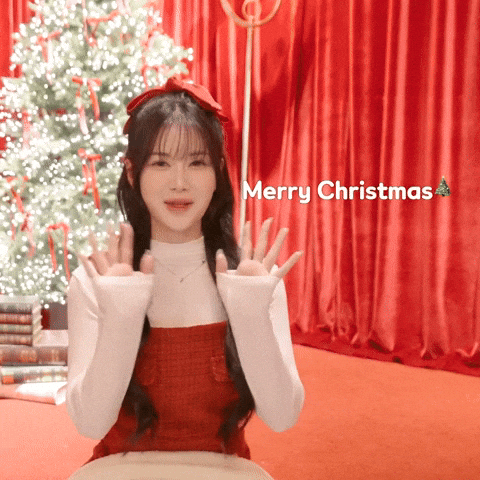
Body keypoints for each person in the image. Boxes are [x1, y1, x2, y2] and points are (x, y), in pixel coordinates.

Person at [66, 75, 305, 464]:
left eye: (197, 163)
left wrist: (251, 314)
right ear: (132, 173)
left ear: (218, 172)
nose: (179, 183)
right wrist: (121, 316)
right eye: (160, 163)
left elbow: (282, 417)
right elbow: (90, 423)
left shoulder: (253, 278)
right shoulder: (98, 281)